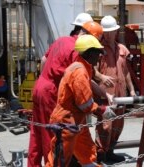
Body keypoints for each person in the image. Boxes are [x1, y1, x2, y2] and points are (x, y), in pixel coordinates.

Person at [27, 13, 105, 167]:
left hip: (40, 86)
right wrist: (103, 97)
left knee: (37, 134)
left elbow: (44, 60)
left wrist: (47, 78)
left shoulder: (62, 40)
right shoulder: (78, 50)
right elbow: (80, 83)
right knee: (54, 136)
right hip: (52, 92)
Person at [45, 34, 116, 167]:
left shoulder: (82, 68)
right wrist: (103, 110)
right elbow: (85, 103)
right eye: (98, 53)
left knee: (88, 152)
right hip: (67, 122)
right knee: (59, 160)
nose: (100, 56)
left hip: (77, 121)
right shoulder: (79, 72)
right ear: (89, 54)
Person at [93, 15, 136, 162]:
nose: (110, 34)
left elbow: (126, 72)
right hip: (105, 94)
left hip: (120, 93)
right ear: (103, 32)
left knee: (118, 123)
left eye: (113, 31)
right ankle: (100, 154)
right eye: (108, 31)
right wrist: (102, 78)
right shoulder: (98, 49)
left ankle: (110, 151)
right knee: (105, 126)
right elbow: (93, 70)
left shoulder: (122, 49)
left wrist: (131, 90)